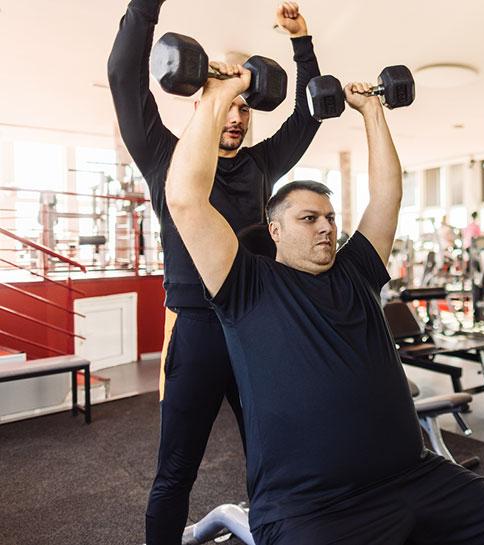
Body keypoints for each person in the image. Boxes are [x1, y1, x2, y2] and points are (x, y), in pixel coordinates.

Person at [165, 65, 484, 545]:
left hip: (415, 476)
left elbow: (388, 193)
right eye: (309, 219)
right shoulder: (244, 284)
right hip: (309, 505)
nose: (326, 227)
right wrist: (220, 95)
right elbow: (185, 199)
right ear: (276, 230)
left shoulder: (356, 271)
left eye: (330, 217)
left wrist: (373, 111)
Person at [106, 2, 321, 542]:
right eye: (227, 102)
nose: (237, 116)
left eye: (247, 107)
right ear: (203, 97)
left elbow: (311, 114)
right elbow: (123, 77)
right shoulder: (163, 157)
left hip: (255, 329)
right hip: (198, 333)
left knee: (275, 462)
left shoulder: (261, 165)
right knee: (176, 471)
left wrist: (302, 41)